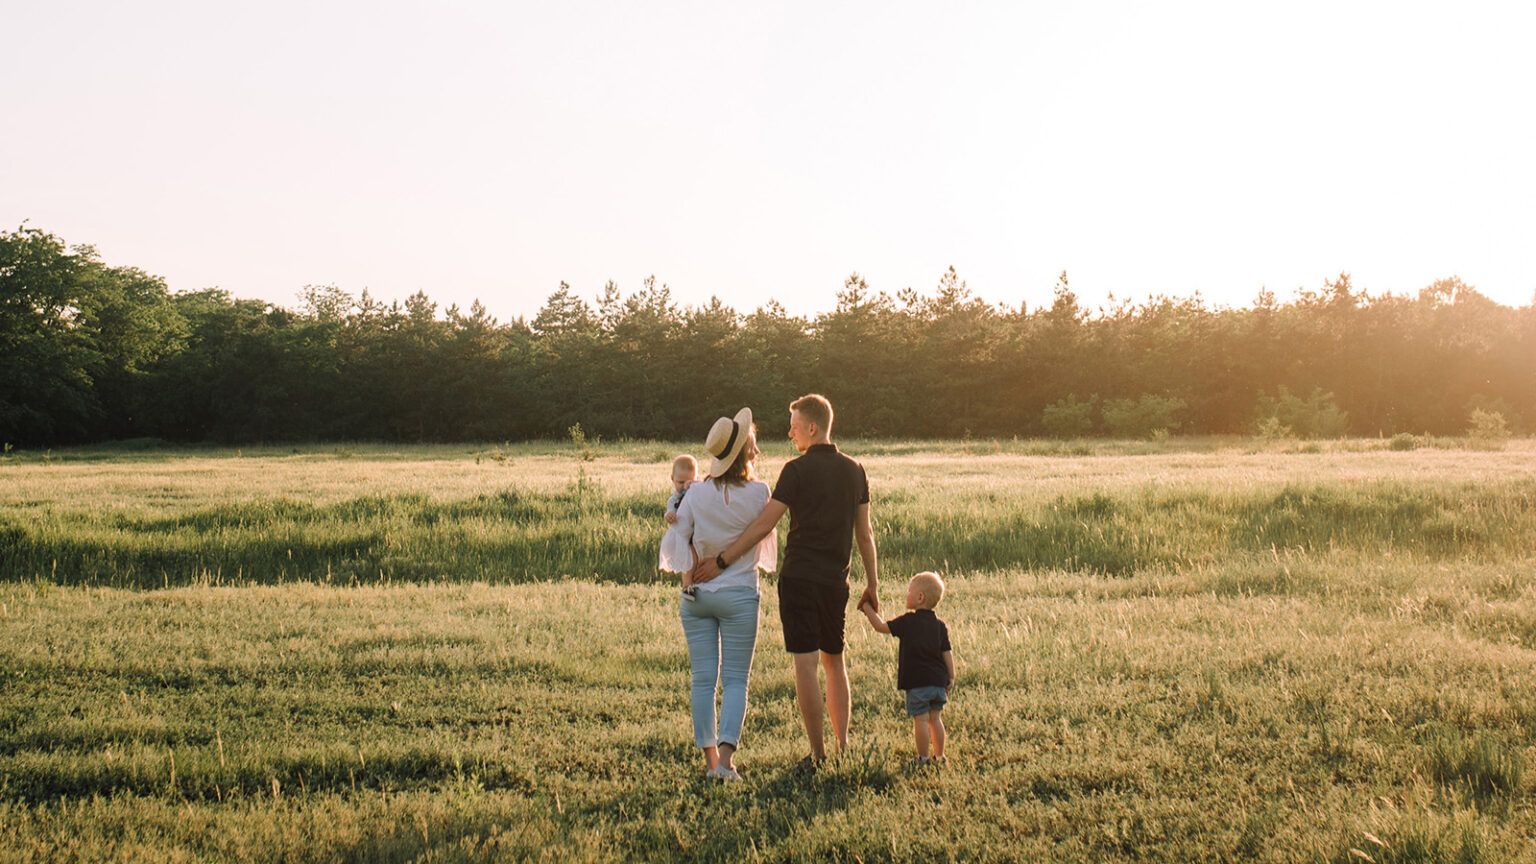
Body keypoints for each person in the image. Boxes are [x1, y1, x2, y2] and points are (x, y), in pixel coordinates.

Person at [690, 393, 878, 765]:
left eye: (794, 428)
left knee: (806, 664)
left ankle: (819, 754)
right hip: (835, 581)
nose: (791, 435)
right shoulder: (855, 469)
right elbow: (865, 533)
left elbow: (764, 524)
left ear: (812, 427)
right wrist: (873, 583)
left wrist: (723, 560)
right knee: (835, 661)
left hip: (798, 580)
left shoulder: (795, 470)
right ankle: (842, 748)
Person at [666, 407, 777, 780]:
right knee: (735, 680)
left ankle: (709, 762)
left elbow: (677, 541)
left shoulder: (695, 494)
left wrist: (691, 573)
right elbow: (762, 547)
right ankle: (726, 764)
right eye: (754, 447)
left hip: (696, 595)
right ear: (745, 453)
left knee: (702, 679)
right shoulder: (760, 492)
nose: (757, 453)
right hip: (740, 595)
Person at [857, 571, 955, 767]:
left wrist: (866, 608)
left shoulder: (908, 622)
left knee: (921, 720)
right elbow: (947, 653)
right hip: (938, 683)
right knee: (935, 719)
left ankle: (923, 758)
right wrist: (951, 677)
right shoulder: (940, 626)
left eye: (909, 591)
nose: (906, 594)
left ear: (920, 598)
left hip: (918, 683)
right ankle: (940, 756)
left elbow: (881, 626)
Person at [658, 454, 699, 573]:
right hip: (683, 535)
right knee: (686, 562)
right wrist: (668, 516)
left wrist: (695, 485)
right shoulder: (674, 500)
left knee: (699, 559)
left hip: (698, 533)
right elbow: (670, 511)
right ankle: (688, 585)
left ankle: (699, 582)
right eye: (680, 482)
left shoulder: (697, 492)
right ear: (672, 479)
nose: (684, 486)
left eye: (690, 481)